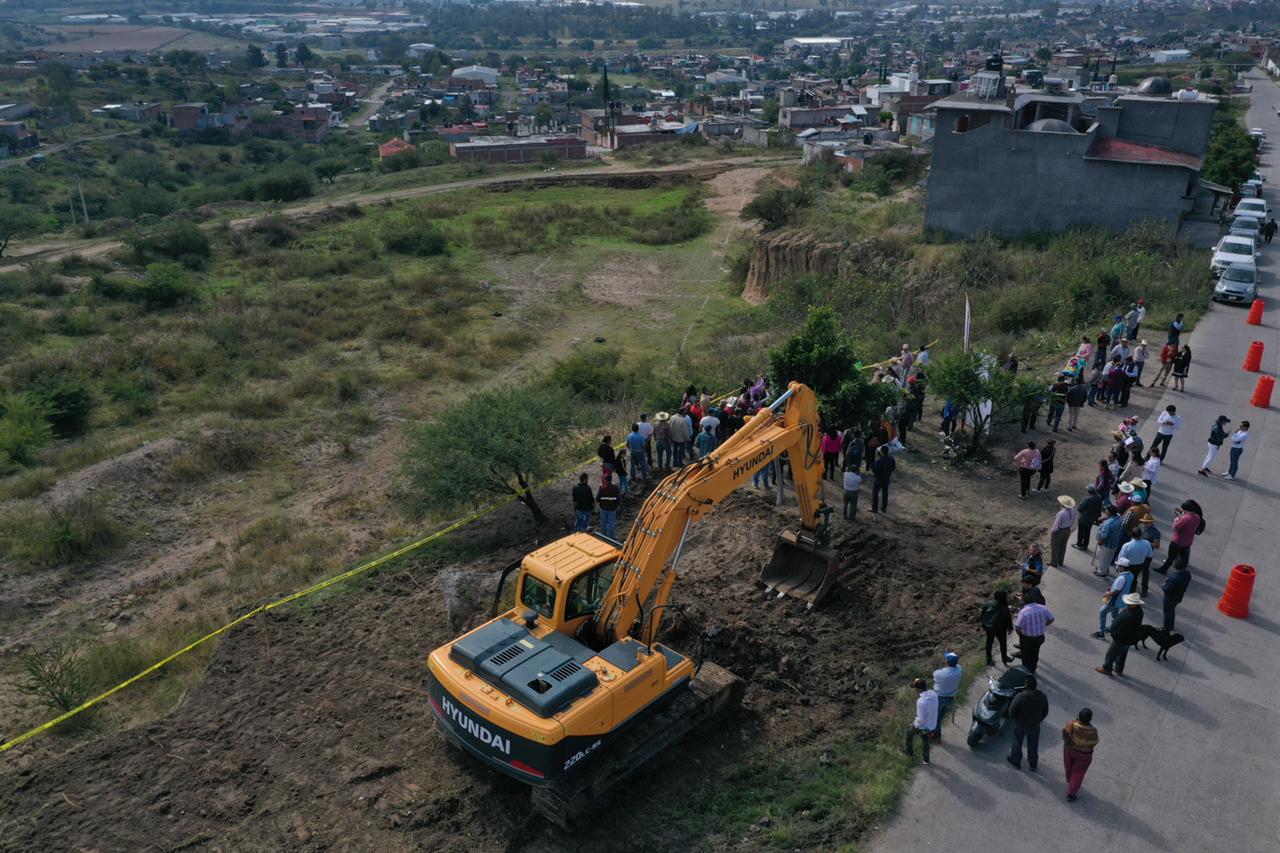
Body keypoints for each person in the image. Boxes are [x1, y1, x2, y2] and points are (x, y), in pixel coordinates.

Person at [1006, 674, 1049, 771]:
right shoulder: (1043, 697)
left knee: (1017, 741)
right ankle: (1033, 764)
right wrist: (1038, 720)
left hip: (1020, 724)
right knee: (1033, 744)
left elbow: (1012, 711)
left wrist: (1015, 718)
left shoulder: (1021, 696)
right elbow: (1045, 711)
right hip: (1034, 725)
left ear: (1025, 685)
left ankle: (1016, 760)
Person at [1097, 593, 1144, 677]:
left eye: (1129, 603)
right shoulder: (1138, 611)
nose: (1127, 604)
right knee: (1122, 654)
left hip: (1120, 638)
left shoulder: (1130, 615)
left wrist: (1114, 633)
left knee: (1111, 654)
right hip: (1129, 639)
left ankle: (1107, 668)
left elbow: (1123, 629)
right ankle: (1119, 669)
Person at [1156, 500, 1204, 574]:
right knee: (1184, 559)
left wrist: (1177, 519)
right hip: (1188, 542)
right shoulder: (1197, 517)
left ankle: (1164, 569)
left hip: (1178, 541)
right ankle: (1182, 573)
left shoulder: (1185, 518)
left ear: (1187, 510)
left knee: (1171, 556)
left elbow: (1176, 527)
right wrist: (1182, 514)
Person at [1062, 709, 1100, 802]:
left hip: (1070, 750)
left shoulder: (1071, 724)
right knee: (1078, 773)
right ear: (1090, 719)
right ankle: (1071, 794)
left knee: (1069, 766)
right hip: (1084, 755)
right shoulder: (1093, 731)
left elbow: (1065, 735)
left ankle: (1069, 779)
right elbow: (1095, 741)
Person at [1094, 558, 1134, 638]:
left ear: (1122, 567)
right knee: (1115, 614)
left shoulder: (1122, 578)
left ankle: (1101, 632)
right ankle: (1113, 627)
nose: (1117, 566)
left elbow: (1117, 591)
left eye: (1118, 565)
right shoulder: (1130, 575)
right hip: (1121, 600)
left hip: (1114, 600)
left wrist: (1107, 595)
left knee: (1103, 612)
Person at [902, 677, 938, 765]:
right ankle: (926, 760)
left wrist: (915, 724)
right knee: (925, 741)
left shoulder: (921, 702)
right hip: (932, 724)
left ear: (918, 689)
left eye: (915, 688)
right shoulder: (934, 694)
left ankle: (909, 751)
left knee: (909, 732)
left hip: (924, 725)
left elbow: (920, 720)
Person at [1014, 598, 1054, 673]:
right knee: (1035, 653)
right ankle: (1033, 669)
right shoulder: (1043, 608)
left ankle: (1025, 671)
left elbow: (1017, 627)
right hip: (1040, 638)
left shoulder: (1024, 612)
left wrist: (1021, 635)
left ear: (1024, 602)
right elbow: (1051, 619)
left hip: (1027, 638)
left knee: (1026, 656)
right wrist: (1042, 625)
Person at [931, 652, 962, 741]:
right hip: (951, 699)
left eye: (946, 659)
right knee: (939, 717)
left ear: (947, 662)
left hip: (939, 699)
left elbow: (935, 674)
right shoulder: (959, 670)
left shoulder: (938, 673)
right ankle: (935, 731)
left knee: (936, 718)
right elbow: (958, 665)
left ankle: (936, 736)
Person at [982, 590, 1014, 666]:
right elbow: (1008, 619)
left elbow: (982, 615)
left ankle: (988, 659)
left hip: (989, 628)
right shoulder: (1004, 607)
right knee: (1003, 643)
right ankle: (1004, 658)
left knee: (989, 643)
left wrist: (984, 625)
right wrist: (1010, 628)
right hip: (1001, 629)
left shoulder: (988, 603)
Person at [1093, 505, 1124, 576]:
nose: (1105, 511)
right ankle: (1105, 569)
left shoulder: (1108, 523)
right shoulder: (1119, 518)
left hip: (1106, 544)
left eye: (1106, 510)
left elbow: (1104, 536)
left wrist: (1100, 542)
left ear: (1110, 512)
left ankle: (1101, 572)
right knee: (1109, 558)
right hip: (1115, 543)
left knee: (1102, 558)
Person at [1162, 562, 1191, 632]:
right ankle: (1171, 626)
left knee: (1167, 613)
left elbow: (1167, 590)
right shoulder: (1187, 574)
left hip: (1169, 598)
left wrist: (1163, 585)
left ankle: (1166, 629)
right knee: (1171, 610)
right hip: (1178, 597)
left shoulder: (1174, 578)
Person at [1049, 495, 1076, 567]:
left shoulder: (1061, 513)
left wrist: (1053, 531)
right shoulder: (1073, 511)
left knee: (1055, 546)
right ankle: (1060, 561)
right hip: (1067, 530)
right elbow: (1073, 522)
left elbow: (1056, 525)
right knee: (1063, 546)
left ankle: (1054, 562)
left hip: (1059, 531)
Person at [1075, 485, 1103, 550]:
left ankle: (1079, 544)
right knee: (1087, 532)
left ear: (1089, 492)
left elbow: (1079, 508)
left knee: (1081, 532)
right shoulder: (1099, 498)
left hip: (1084, 518)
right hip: (1091, 519)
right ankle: (1085, 545)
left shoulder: (1087, 499)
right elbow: (1099, 509)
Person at [871, 446, 895, 514]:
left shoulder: (879, 461)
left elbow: (876, 471)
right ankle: (884, 508)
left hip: (879, 479)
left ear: (881, 452)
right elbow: (893, 468)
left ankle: (874, 508)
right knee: (885, 493)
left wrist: (872, 467)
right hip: (887, 478)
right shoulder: (891, 459)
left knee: (875, 493)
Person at [596, 475, 620, 539]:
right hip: (612, 509)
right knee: (611, 524)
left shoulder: (601, 488)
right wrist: (616, 506)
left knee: (603, 523)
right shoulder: (615, 487)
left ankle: (604, 536)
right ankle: (611, 537)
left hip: (603, 508)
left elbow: (597, 499)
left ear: (605, 480)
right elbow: (618, 499)